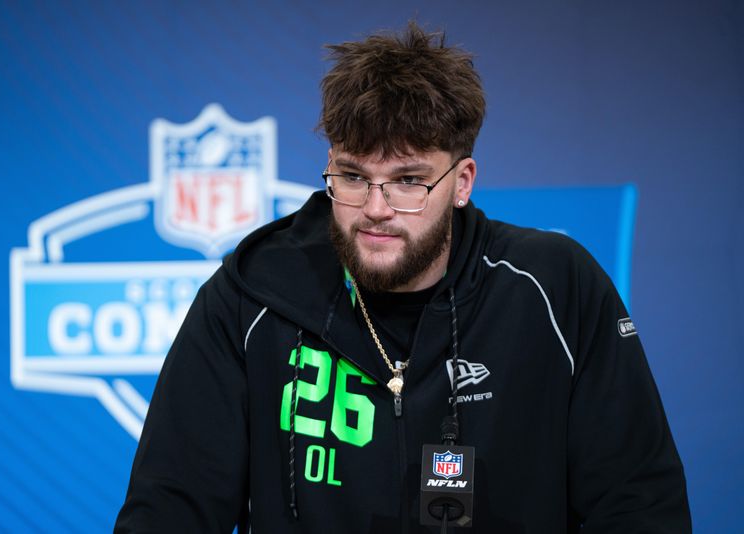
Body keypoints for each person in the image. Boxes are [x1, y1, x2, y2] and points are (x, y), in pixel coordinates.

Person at [115, 22, 691, 533]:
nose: (376, 207)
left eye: (410, 180)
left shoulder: (553, 287)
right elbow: (169, 508)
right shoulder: (249, 295)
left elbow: (640, 503)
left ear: (462, 182)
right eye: (353, 176)